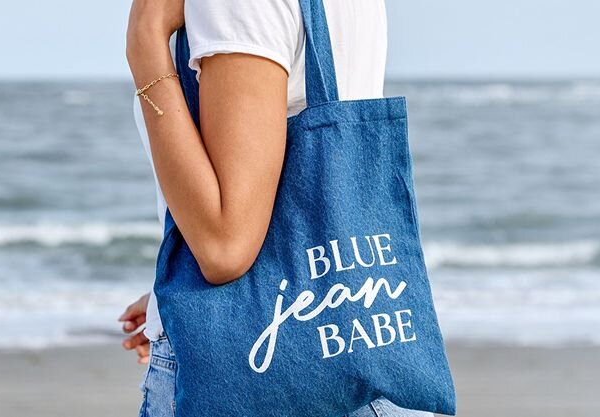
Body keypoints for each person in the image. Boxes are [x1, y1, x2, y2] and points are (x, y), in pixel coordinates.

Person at [115, 0, 423, 415]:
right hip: (359, 352)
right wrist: (169, 296)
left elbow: (226, 247)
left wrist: (145, 39)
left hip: (269, 382)